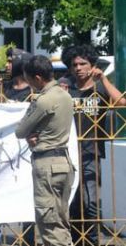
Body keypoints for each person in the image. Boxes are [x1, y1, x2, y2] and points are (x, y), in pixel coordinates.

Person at [63, 45, 126, 246]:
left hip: (91, 152)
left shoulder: (100, 88)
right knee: (72, 200)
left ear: (92, 65)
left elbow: (120, 102)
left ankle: (90, 240)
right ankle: (75, 240)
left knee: (89, 201)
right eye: (75, 65)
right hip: (67, 152)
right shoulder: (66, 88)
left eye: (83, 64)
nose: (79, 68)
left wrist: (104, 79)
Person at [15, 55, 75, 246]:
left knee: (49, 224)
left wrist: (31, 134)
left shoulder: (43, 100)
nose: (29, 84)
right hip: (63, 162)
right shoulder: (65, 95)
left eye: (29, 79)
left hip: (46, 164)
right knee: (60, 221)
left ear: (38, 78)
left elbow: (21, 130)